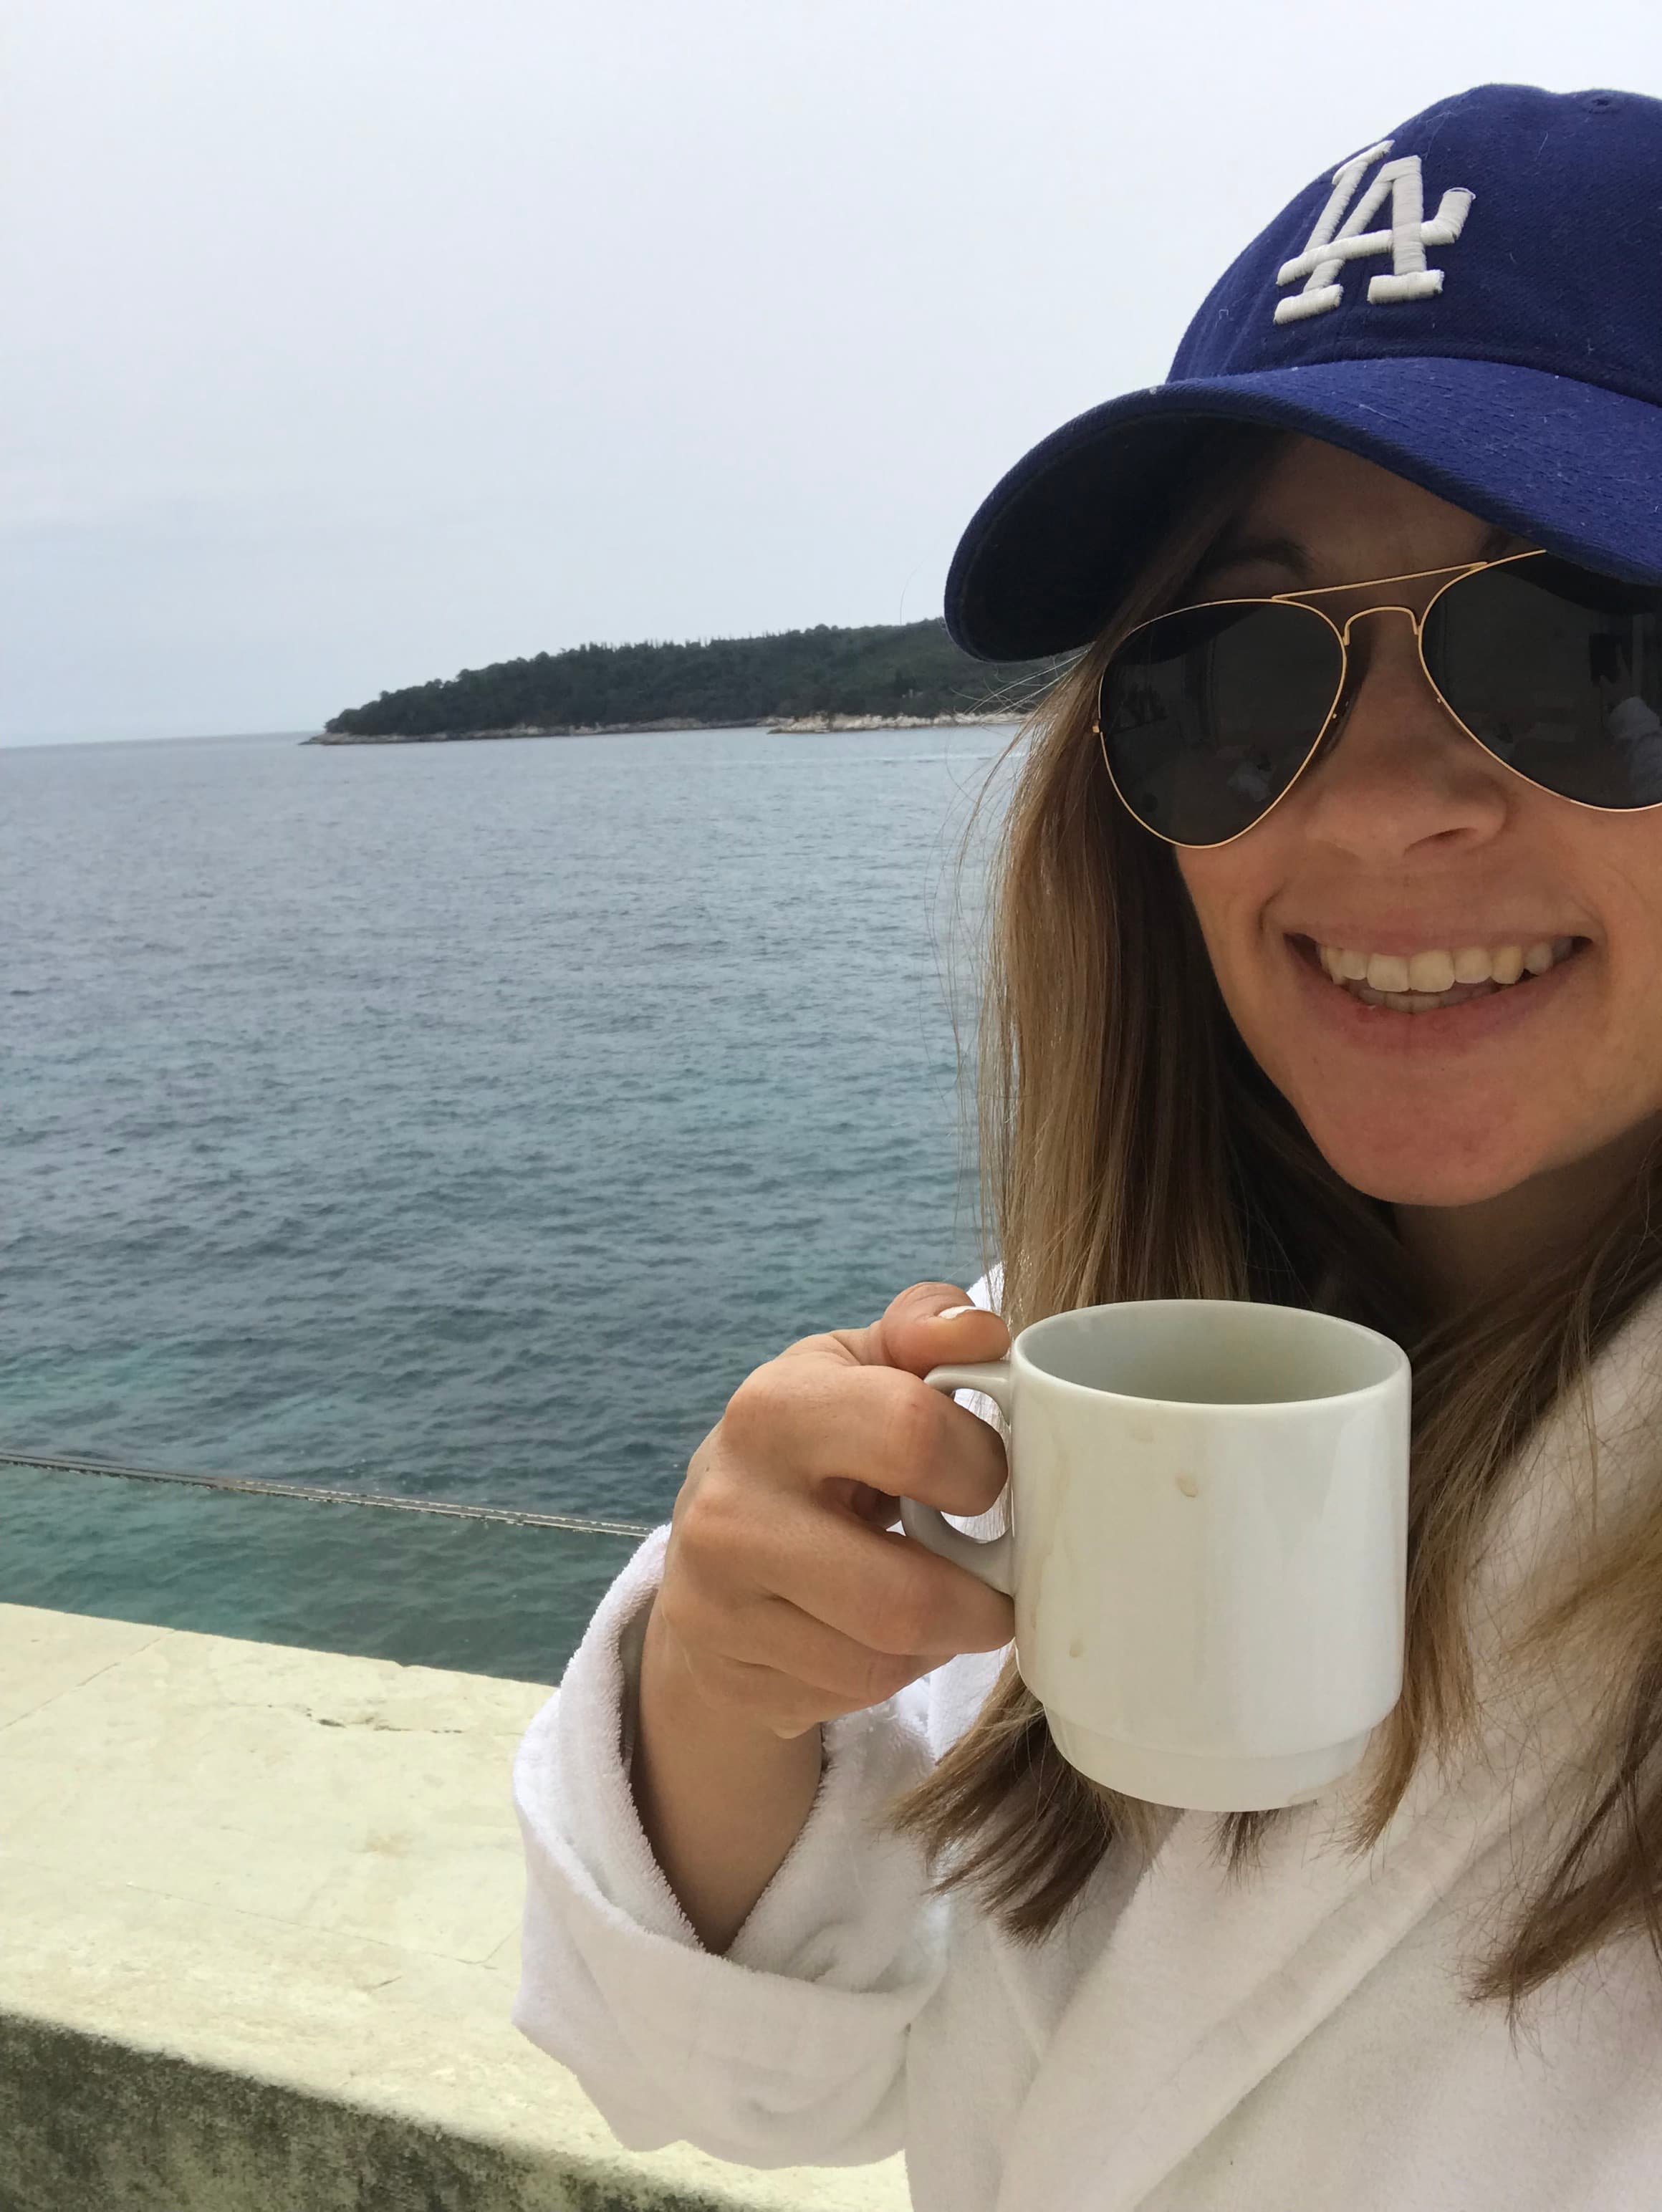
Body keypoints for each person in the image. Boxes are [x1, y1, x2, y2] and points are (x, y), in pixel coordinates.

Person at [511, 83, 1662, 2209]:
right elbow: (750, 2088)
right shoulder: (1108, 1384)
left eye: (1597, 648)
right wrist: (726, 1688)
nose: (1374, 805)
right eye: (1236, 673)